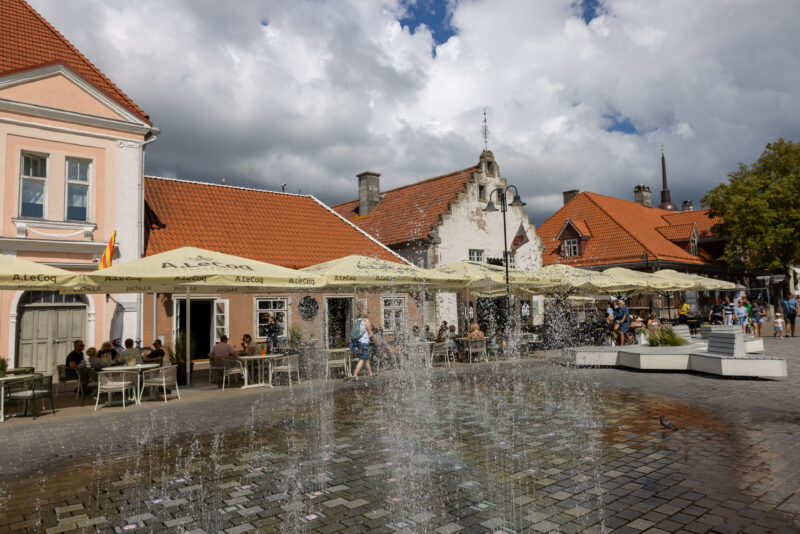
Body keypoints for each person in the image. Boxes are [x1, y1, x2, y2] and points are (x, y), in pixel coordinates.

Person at [351, 310, 375, 380]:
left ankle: (371, 374)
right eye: (368, 313)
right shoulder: (366, 321)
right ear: (366, 314)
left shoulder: (357, 320)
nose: (368, 314)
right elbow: (370, 333)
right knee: (362, 359)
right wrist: (376, 339)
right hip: (364, 342)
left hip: (358, 342)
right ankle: (354, 376)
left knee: (365, 357)